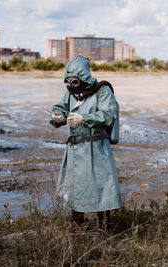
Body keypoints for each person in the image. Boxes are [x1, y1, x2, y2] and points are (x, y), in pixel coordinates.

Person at [49, 55, 122, 228]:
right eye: (68, 82)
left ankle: (105, 228)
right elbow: (59, 108)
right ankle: (77, 226)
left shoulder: (102, 91)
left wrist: (84, 118)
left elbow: (107, 114)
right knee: (76, 188)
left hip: (97, 148)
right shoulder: (70, 94)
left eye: (75, 81)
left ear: (83, 78)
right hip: (76, 150)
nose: (71, 86)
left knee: (101, 186)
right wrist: (57, 117)